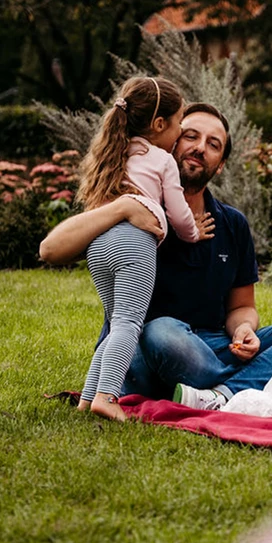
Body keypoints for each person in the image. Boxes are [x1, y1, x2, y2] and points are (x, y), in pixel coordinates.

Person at [39, 101, 272, 410]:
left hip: (211, 349)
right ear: (169, 142)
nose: (199, 148)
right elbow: (51, 250)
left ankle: (221, 394)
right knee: (163, 331)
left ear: (220, 163)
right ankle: (249, 381)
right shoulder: (135, 207)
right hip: (146, 350)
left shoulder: (232, 223)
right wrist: (124, 207)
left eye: (213, 144)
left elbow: (242, 306)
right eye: (190, 136)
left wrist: (243, 329)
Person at [76, 75, 205, 421]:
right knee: (128, 323)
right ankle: (107, 397)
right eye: (179, 123)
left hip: (98, 245)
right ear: (159, 124)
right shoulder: (162, 160)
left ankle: (88, 398)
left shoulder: (114, 153)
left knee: (114, 322)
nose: (180, 131)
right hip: (133, 243)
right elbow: (179, 215)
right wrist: (193, 233)